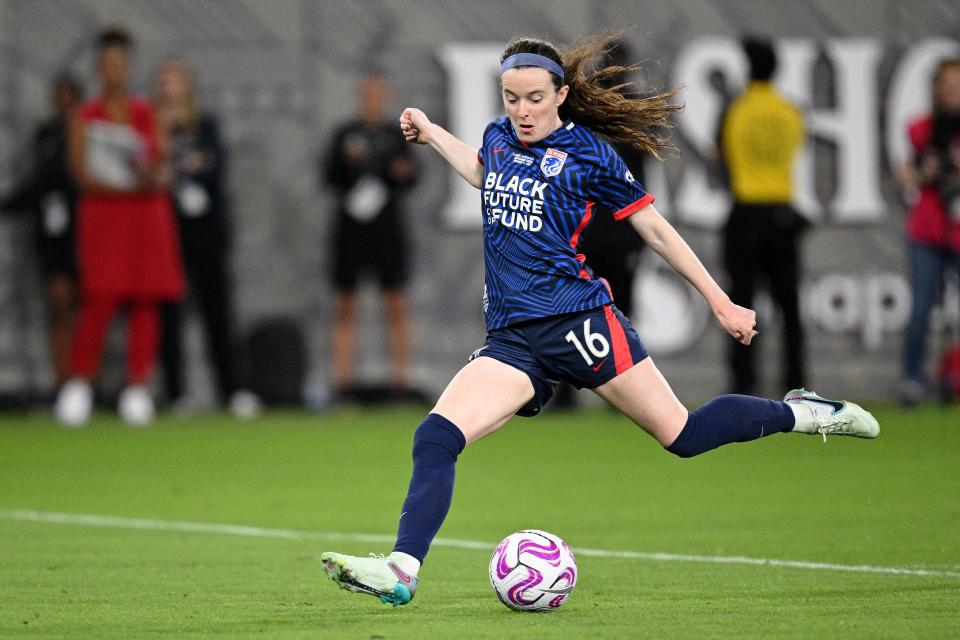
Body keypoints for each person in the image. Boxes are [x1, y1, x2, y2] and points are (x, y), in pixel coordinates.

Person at [319, 34, 878, 608]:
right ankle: (401, 570)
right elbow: (486, 177)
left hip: (581, 323)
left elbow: (655, 230)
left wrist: (719, 300)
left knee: (682, 436)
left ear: (561, 94)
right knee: (435, 436)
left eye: (535, 97)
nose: (522, 110)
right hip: (514, 340)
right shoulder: (498, 136)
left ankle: (804, 413)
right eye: (511, 98)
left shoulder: (589, 154)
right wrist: (434, 133)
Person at [53, 27, 185, 427]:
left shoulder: (146, 112)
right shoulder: (85, 115)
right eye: (108, 64)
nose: (115, 71)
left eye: (121, 64)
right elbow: (80, 172)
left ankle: (137, 387)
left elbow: (162, 163)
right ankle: (79, 384)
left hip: (146, 214)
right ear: (99, 69)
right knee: (100, 300)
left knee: (146, 301)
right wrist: (123, 183)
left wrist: (151, 175)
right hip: (106, 213)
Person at [154, 58, 250, 414]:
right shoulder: (154, 126)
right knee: (170, 315)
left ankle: (232, 391)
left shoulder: (205, 125)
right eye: (164, 81)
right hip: (168, 233)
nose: (169, 88)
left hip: (207, 231)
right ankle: (177, 393)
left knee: (217, 313)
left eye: (175, 80)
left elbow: (212, 166)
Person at [321, 72, 418, 398]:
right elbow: (329, 176)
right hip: (351, 230)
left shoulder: (396, 135)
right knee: (346, 303)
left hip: (387, 230)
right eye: (368, 93)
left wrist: (402, 173)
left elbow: (412, 176)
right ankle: (342, 380)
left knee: (395, 302)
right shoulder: (346, 134)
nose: (373, 99)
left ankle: (401, 380)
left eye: (378, 93)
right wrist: (347, 162)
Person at [719, 37, 807, 396]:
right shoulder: (790, 111)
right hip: (782, 214)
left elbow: (722, 157)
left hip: (746, 212)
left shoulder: (736, 110)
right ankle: (795, 379)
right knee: (789, 304)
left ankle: (744, 381)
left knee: (741, 303)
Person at [0, 76, 83, 386]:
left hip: (86, 233)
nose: (62, 104)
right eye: (57, 98)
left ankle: (87, 381)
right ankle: (64, 381)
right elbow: (36, 184)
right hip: (53, 237)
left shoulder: (88, 132)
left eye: (67, 98)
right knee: (59, 303)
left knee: (89, 310)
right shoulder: (45, 136)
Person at [899, 58, 960, 405]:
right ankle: (912, 379)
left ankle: (953, 375)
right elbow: (907, 176)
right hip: (927, 228)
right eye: (947, 84)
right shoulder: (921, 129)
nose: (952, 91)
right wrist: (927, 171)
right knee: (921, 306)